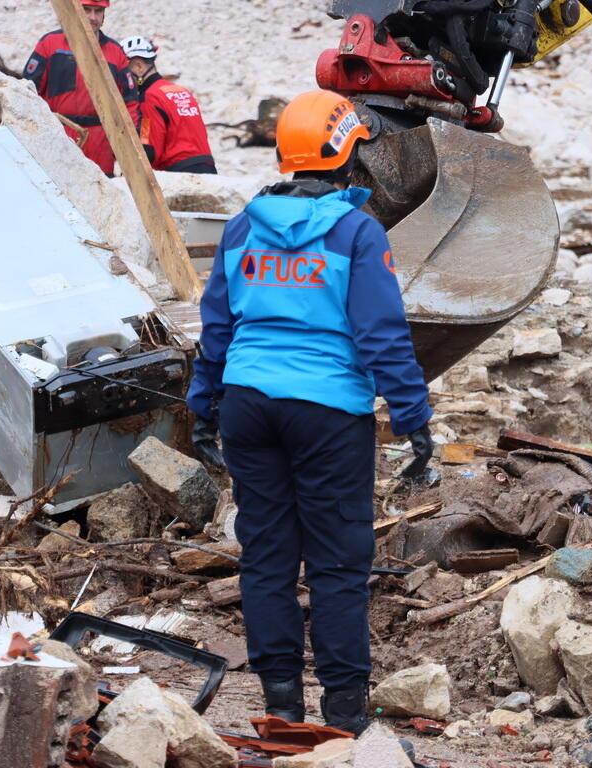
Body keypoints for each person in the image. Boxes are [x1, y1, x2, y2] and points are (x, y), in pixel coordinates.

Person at [186, 89, 433, 734]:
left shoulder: (243, 225)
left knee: (265, 553)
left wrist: (202, 404)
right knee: (337, 559)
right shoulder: (356, 231)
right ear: (350, 152)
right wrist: (412, 416)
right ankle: (346, 710)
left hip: (248, 404)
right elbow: (381, 332)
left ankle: (280, 703)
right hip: (327, 413)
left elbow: (217, 322)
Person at [23, 0, 139, 176]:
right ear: (76, 10)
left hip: (100, 144)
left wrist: (128, 150)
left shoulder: (116, 53)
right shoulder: (50, 44)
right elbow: (27, 93)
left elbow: (129, 104)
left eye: (98, 11)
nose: (93, 17)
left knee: (102, 197)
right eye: (87, 10)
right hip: (59, 138)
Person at [121, 36, 217, 174]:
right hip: (209, 169)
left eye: (125, 73)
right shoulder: (181, 90)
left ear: (139, 66)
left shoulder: (149, 98)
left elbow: (150, 148)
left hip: (181, 174)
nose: (124, 80)